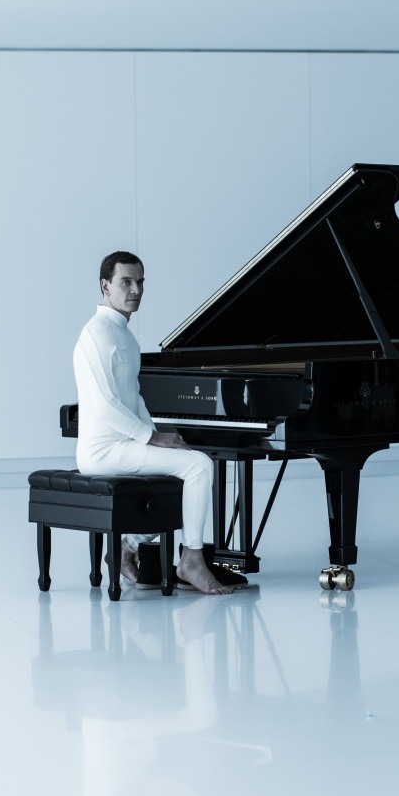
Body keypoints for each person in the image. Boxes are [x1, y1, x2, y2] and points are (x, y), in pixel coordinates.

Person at [73, 251, 233, 595]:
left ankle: (127, 548)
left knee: (186, 465)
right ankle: (191, 560)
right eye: (126, 282)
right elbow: (105, 406)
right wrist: (153, 438)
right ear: (105, 286)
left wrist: (160, 435)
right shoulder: (97, 334)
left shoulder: (124, 335)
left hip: (124, 445)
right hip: (102, 452)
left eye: (140, 281)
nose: (136, 290)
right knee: (199, 466)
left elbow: (136, 398)